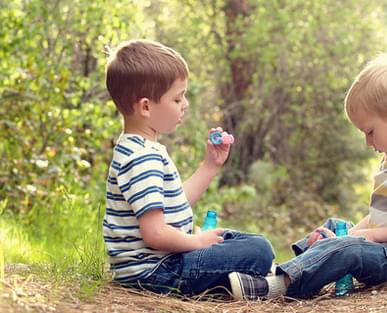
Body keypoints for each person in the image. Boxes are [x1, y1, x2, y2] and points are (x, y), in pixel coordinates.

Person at [229, 53, 387, 300]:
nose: (368, 142)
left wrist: (368, 236)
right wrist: (352, 233)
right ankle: (288, 269)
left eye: (370, 131)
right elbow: (382, 217)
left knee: (348, 247)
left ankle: (281, 285)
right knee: (335, 227)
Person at [103, 39, 274, 296]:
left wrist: (210, 165)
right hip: (156, 272)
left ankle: (235, 282)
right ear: (146, 107)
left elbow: (175, 204)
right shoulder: (141, 158)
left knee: (241, 241)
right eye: (177, 98)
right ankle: (241, 286)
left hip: (161, 264)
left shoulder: (139, 148)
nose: (185, 104)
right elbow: (155, 233)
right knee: (259, 250)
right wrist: (195, 242)